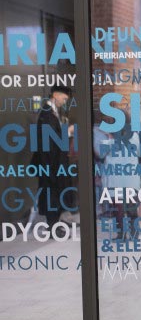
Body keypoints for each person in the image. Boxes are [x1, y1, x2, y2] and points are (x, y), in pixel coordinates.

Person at [31, 86, 73, 229]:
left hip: (52, 162)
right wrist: (66, 133)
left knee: (55, 191)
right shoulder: (47, 114)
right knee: (51, 192)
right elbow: (49, 141)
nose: (64, 101)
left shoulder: (52, 113)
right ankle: (53, 224)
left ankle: (56, 222)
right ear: (55, 94)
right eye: (64, 98)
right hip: (49, 163)